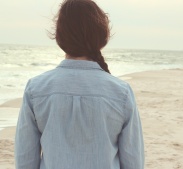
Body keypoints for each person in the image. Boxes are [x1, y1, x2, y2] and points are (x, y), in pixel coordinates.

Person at [14, 0, 144, 168]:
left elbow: (25, 160)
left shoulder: (36, 89)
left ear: (60, 37)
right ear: (101, 36)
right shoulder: (121, 93)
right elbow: (133, 161)